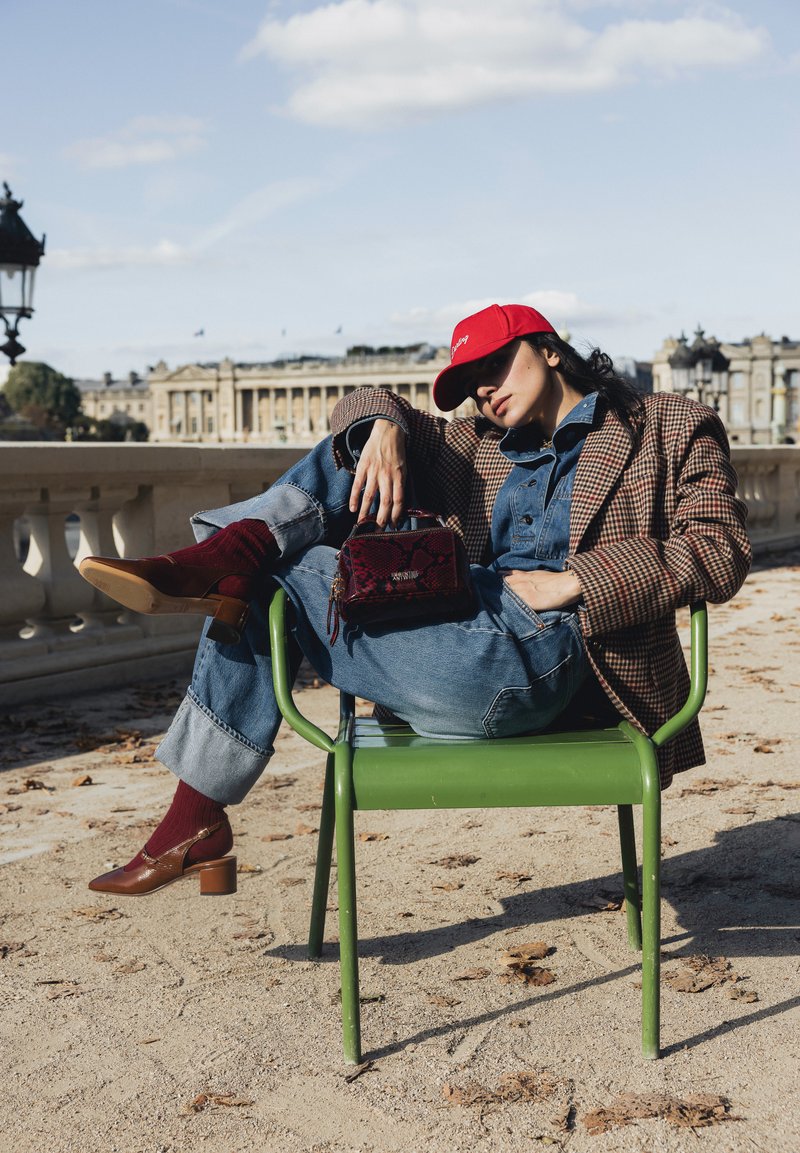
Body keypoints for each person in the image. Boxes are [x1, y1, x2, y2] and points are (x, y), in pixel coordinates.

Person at [79, 303, 751, 896]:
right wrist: (385, 427)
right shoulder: (471, 446)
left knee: (263, 581)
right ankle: (239, 558)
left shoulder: (666, 426)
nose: (484, 391)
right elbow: (361, 403)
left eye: (494, 366)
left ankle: (230, 565)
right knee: (347, 460)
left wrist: (574, 581)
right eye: (468, 384)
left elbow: (721, 547)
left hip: (553, 656)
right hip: (454, 639)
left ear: (550, 348)